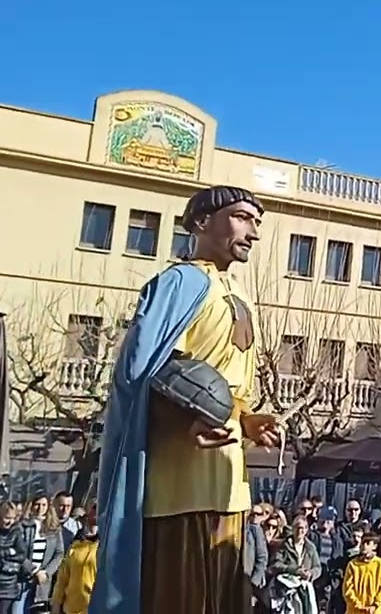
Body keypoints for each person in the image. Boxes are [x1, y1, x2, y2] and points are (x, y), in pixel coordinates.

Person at [90, 185, 283, 614]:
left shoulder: (242, 294)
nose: (252, 232)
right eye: (241, 217)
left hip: (230, 485)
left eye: (256, 222)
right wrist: (182, 421)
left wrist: (247, 420)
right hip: (179, 489)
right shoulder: (178, 283)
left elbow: (231, 390)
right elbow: (142, 374)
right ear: (201, 223)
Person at [51, 506, 98, 614]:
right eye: (94, 509)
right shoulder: (75, 546)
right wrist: (56, 604)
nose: (95, 513)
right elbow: (62, 579)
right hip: (71, 609)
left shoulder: (106, 548)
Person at [342, 534, 381, 614]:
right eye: (362, 543)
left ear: (374, 546)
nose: (364, 546)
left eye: (368, 543)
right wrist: (358, 605)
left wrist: (375, 604)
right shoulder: (353, 564)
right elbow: (347, 588)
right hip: (355, 610)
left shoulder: (380, 564)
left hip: (374, 610)